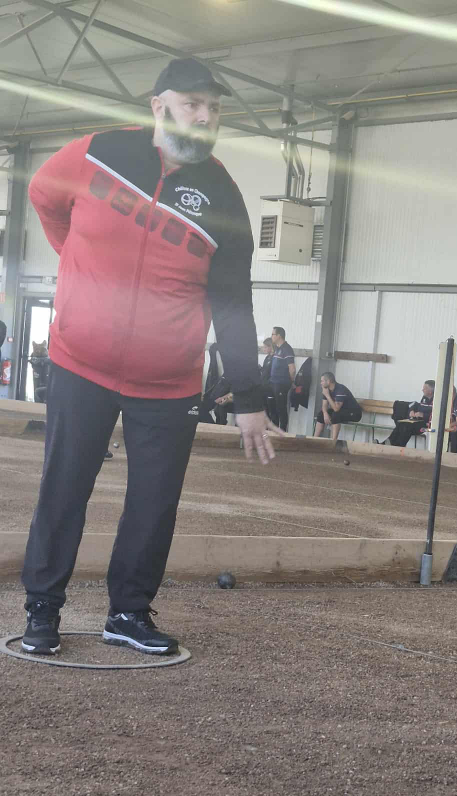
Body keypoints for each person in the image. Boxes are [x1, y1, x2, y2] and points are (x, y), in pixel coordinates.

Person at [20, 56, 281, 658]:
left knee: (154, 503)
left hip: (168, 382)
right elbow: (44, 195)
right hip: (80, 362)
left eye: (214, 108)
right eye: (194, 104)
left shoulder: (223, 196)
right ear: (159, 106)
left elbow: (233, 303)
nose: (206, 116)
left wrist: (248, 398)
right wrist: (75, 261)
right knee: (64, 488)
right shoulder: (96, 152)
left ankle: (128, 614)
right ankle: (43, 608)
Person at [382, 380, 434, 447]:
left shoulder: (436, 401)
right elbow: (414, 404)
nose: (422, 390)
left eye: (425, 388)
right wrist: (411, 410)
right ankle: (387, 443)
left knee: (407, 426)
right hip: (418, 422)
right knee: (402, 423)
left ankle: (396, 446)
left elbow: (436, 416)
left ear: (430, 391)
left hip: (426, 426)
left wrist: (423, 415)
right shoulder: (424, 398)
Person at [313, 372, 362, 441]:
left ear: (328, 381)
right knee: (321, 414)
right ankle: (314, 439)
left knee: (336, 414)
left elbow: (336, 409)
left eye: (322, 381)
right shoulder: (326, 389)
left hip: (354, 413)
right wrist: (325, 413)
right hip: (341, 410)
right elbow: (324, 405)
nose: (321, 383)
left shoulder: (340, 389)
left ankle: (333, 441)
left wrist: (327, 395)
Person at [269, 326, 295, 431]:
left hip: (281, 384)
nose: (271, 336)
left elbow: (292, 369)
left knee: (281, 408)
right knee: (273, 408)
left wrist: (291, 381)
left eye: (273, 334)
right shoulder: (277, 348)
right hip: (273, 382)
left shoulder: (287, 349)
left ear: (279, 336)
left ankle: (283, 431)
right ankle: (274, 431)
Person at [261, 338, 277, 426]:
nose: (263, 349)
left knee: (272, 411)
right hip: (263, 387)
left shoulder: (275, 358)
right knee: (265, 411)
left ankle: (274, 429)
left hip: (270, 388)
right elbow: (264, 371)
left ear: (270, 346)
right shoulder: (267, 357)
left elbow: (273, 373)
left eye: (265, 347)